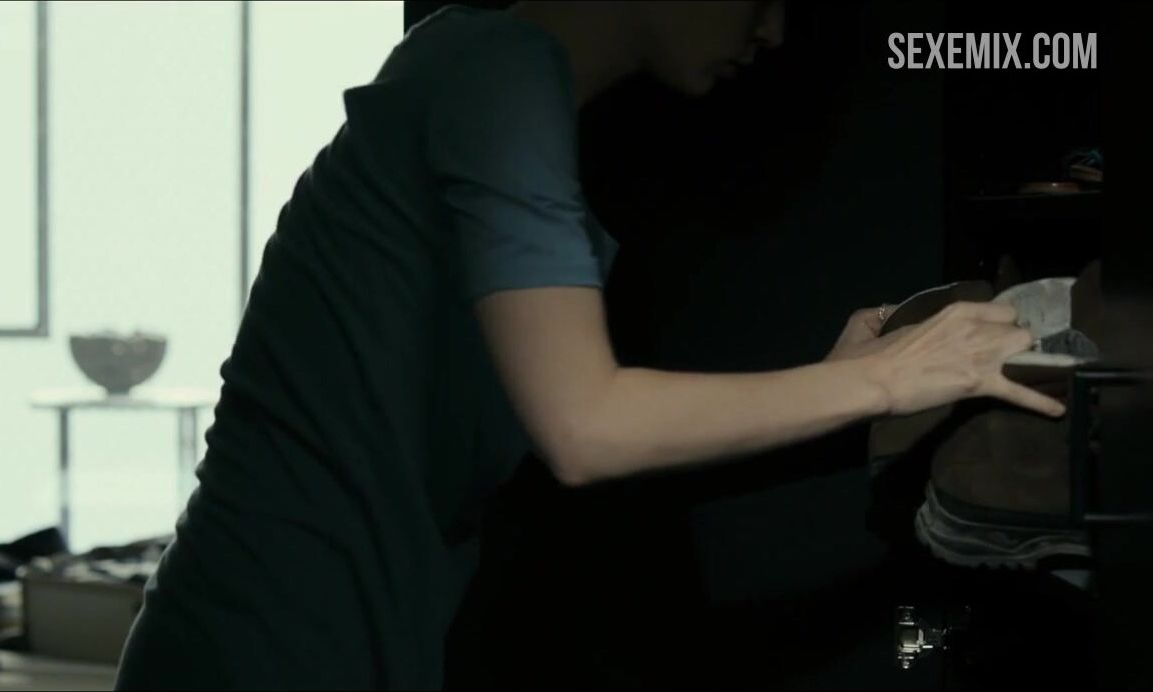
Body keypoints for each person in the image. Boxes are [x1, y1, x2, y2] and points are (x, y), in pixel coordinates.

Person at [115, 2, 1065, 689]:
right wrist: (888, 379)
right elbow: (587, 429)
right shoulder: (496, 75)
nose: (775, 26)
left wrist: (836, 383)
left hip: (341, 645)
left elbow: (577, 446)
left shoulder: (485, 85)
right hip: (265, 647)